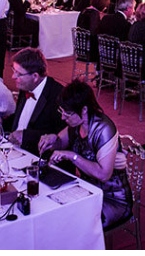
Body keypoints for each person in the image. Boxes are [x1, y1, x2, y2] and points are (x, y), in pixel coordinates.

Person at [38, 81, 132, 228]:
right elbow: (60, 143)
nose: (63, 118)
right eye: (61, 111)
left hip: (111, 198)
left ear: (84, 110)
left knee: (72, 222)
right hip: (86, 191)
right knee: (52, 210)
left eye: (67, 113)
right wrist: (51, 139)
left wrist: (73, 156)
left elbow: (103, 174)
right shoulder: (77, 125)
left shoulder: (103, 129)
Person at [3, 48, 65, 154]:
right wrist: (0, 122)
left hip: (37, 157)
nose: (13, 77)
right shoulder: (26, 86)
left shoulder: (58, 96)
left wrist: (27, 136)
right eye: (14, 71)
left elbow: (60, 136)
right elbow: (23, 117)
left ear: (35, 76)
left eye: (18, 74)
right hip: (15, 150)